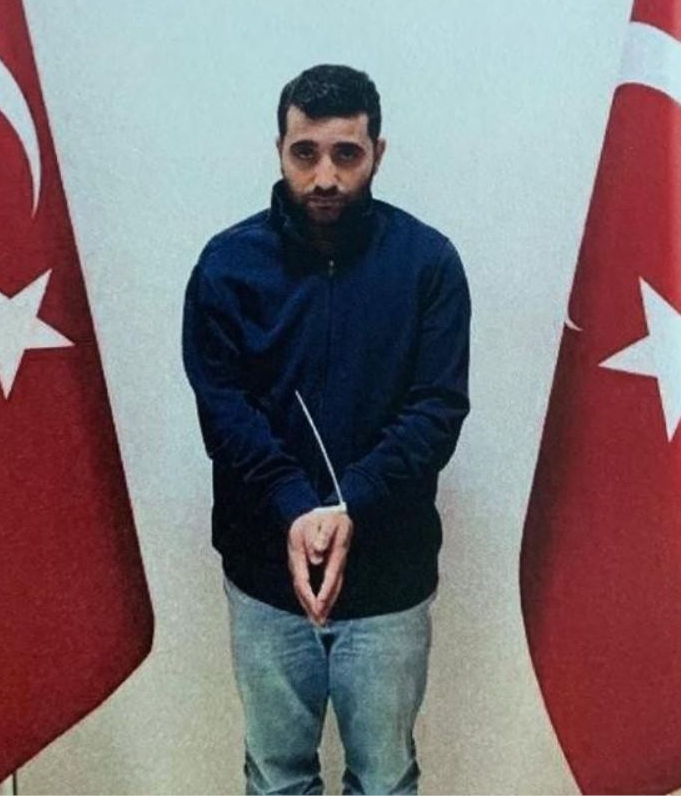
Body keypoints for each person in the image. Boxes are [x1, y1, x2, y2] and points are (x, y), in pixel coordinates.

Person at [182, 64, 470, 796]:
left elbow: (437, 409)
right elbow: (223, 407)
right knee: (277, 778)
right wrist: (293, 504)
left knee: (384, 779)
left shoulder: (428, 264)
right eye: (305, 153)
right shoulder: (227, 265)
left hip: (388, 579)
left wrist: (351, 505)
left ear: (379, 152)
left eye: (347, 153)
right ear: (279, 149)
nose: (325, 177)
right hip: (264, 576)